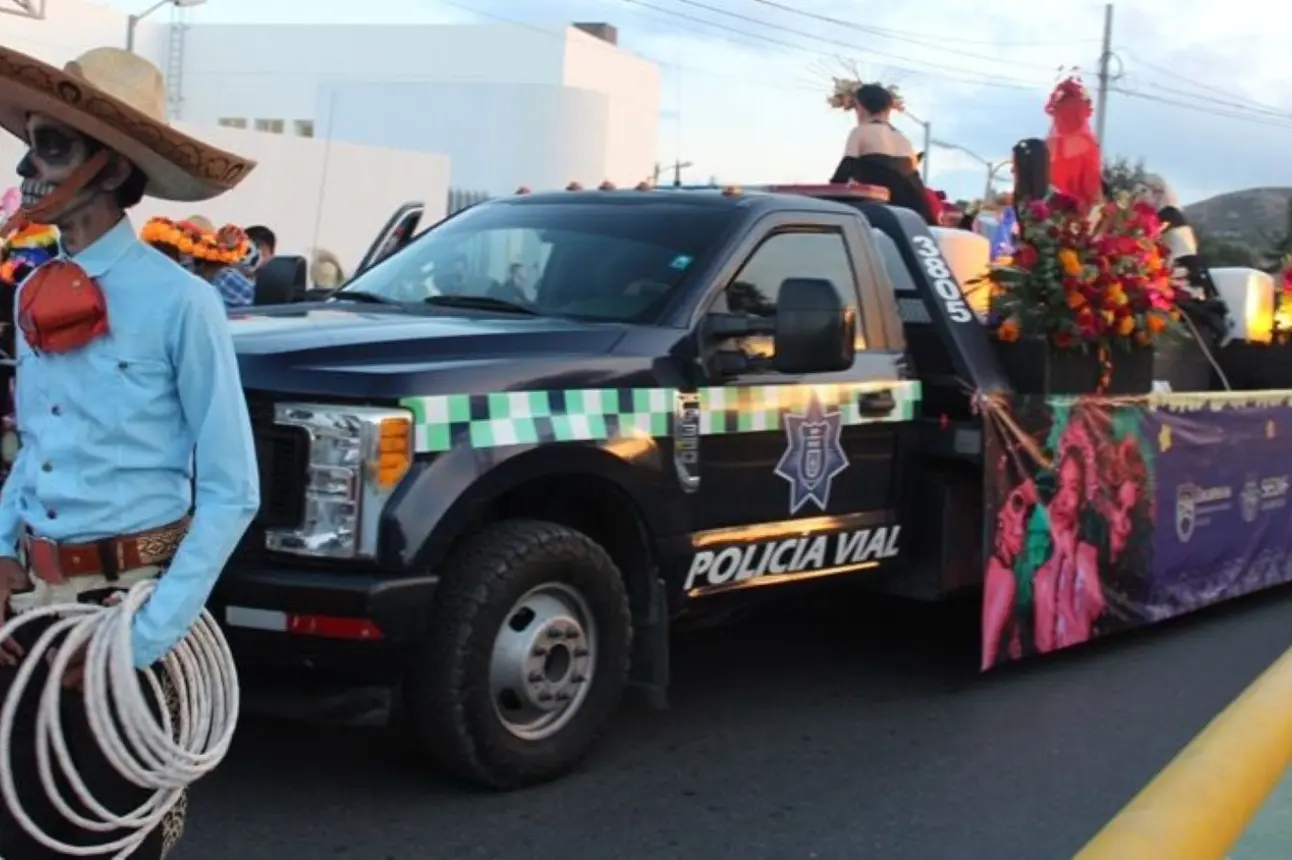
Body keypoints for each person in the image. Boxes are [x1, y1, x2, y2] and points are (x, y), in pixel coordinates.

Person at [0, 44, 260, 858]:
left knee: (113, 837)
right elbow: (35, 448)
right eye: (31, 139)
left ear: (110, 169)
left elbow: (232, 489)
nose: (27, 164)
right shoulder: (32, 294)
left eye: (52, 145)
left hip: (127, 617)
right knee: (24, 827)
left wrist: (146, 639)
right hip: (30, 614)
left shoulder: (182, 304)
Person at [827, 81, 936, 223]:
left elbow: (843, 173)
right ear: (889, 109)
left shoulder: (860, 132)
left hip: (884, 212)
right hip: (916, 212)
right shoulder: (903, 139)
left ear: (859, 107)